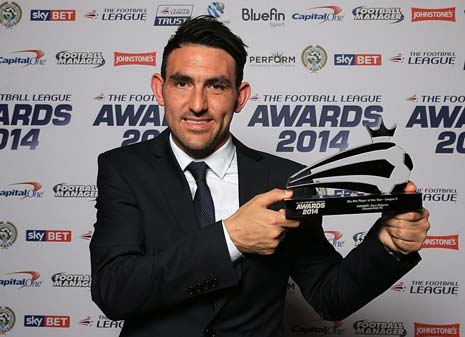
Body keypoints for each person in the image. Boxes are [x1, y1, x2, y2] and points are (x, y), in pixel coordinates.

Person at [90, 15, 430, 337]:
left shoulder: (286, 179)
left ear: (240, 97)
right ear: (159, 88)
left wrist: (387, 247)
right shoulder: (123, 169)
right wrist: (230, 238)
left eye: (216, 86)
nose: (197, 104)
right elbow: (114, 291)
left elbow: (329, 296)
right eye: (182, 83)